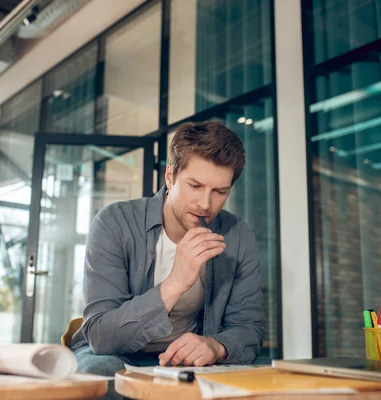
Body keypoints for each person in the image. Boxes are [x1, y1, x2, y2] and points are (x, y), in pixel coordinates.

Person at [70, 121, 267, 381]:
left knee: (267, 373)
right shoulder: (114, 222)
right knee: (99, 372)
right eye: (194, 186)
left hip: (191, 360)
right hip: (118, 354)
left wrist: (215, 346)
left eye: (220, 192)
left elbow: (249, 328)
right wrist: (175, 283)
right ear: (170, 176)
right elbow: (101, 336)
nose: (205, 204)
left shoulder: (238, 235)